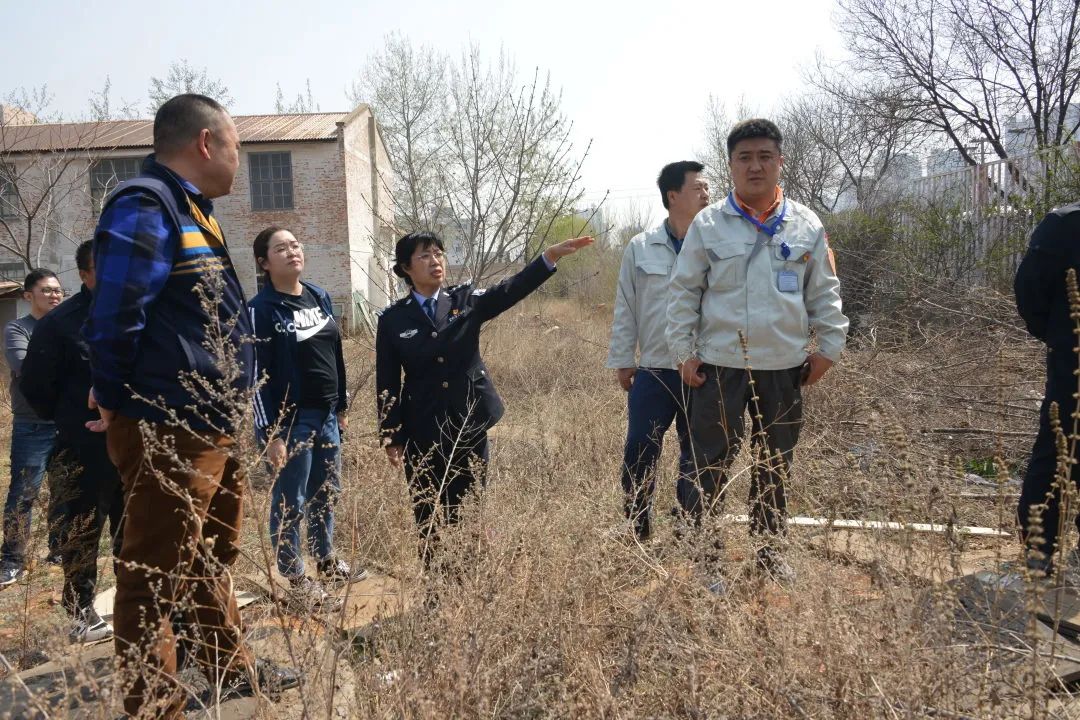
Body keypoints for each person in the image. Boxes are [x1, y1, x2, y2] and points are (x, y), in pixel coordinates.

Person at [83, 94, 298, 718]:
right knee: (152, 573)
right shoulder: (146, 203)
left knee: (209, 556)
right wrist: (126, 404)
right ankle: (155, 706)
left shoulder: (195, 212)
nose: (239, 159)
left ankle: (229, 671)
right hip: (168, 423)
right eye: (236, 144)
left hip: (209, 422)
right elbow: (116, 313)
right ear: (205, 143)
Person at [666, 118, 848, 582]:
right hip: (720, 366)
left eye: (764, 156)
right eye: (744, 158)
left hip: (784, 367)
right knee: (710, 462)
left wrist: (829, 347)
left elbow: (824, 292)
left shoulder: (807, 225)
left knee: (775, 465)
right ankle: (705, 559)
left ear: (780, 162)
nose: (755, 166)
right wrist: (683, 353)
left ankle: (769, 553)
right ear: (731, 166)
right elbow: (684, 292)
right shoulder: (708, 225)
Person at [376, 232, 592, 562]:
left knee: (470, 508)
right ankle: (435, 590)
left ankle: (469, 586)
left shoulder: (465, 300)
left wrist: (547, 258)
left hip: (469, 421)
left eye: (438, 253)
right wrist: (392, 434)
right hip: (423, 428)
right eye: (425, 256)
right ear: (405, 267)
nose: (435, 261)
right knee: (428, 513)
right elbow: (388, 380)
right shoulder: (393, 320)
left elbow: (510, 290)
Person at [250, 227, 365, 609]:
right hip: (289, 422)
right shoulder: (260, 310)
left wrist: (341, 406)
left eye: (295, 245)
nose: (291, 251)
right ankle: (295, 577)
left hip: (326, 413)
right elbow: (255, 377)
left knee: (327, 491)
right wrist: (270, 433)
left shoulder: (319, 295)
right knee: (291, 499)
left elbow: (335, 356)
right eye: (280, 248)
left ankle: (326, 560)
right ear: (265, 263)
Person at [20, 241, 121, 643]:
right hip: (81, 448)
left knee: (133, 531)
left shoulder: (136, 315)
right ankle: (81, 613)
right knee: (81, 532)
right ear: (84, 275)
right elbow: (35, 386)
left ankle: (136, 606)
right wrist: (76, 420)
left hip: (131, 446)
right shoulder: (61, 323)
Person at [607, 161, 710, 541]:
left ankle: (689, 527)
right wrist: (622, 360)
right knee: (639, 448)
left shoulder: (715, 244)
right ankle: (637, 527)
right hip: (654, 368)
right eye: (698, 187)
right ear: (673, 196)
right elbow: (626, 306)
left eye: (707, 186)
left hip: (703, 369)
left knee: (697, 453)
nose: (706, 193)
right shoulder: (641, 246)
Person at [1015, 202, 1080, 575]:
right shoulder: (1066, 225)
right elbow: (1030, 290)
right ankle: (1039, 549)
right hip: (1073, 364)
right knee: (1059, 448)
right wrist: (1060, 336)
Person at [0, 268, 63, 587]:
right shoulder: (18, 329)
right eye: (46, 290)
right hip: (32, 425)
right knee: (23, 494)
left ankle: (60, 549)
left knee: (65, 491)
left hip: (66, 423)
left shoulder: (67, 327)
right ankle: (11, 560)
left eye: (58, 290)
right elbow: (25, 368)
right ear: (28, 296)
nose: (54, 295)